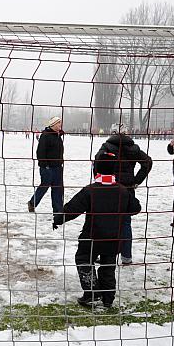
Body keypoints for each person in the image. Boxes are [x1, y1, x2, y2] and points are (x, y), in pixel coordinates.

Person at [53, 151, 141, 309]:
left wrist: (59, 219)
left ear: (96, 170)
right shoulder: (122, 190)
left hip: (92, 236)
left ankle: (92, 292)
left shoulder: (90, 190)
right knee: (108, 266)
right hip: (114, 237)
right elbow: (136, 207)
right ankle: (108, 298)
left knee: (83, 259)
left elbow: (73, 208)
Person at [95, 122, 152, 265]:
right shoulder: (133, 147)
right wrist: (136, 180)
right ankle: (126, 257)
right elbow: (148, 162)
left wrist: (99, 180)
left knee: (106, 221)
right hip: (127, 188)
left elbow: (97, 163)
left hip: (109, 187)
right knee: (126, 222)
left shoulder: (107, 146)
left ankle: (103, 254)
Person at [27, 117, 65, 216]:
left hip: (58, 167)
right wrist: (45, 165)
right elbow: (40, 152)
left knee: (58, 189)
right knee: (44, 186)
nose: (60, 125)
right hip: (47, 168)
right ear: (52, 124)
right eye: (58, 123)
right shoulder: (46, 135)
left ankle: (58, 211)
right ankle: (32, 203)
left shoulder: (58, 135)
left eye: (60, 123)